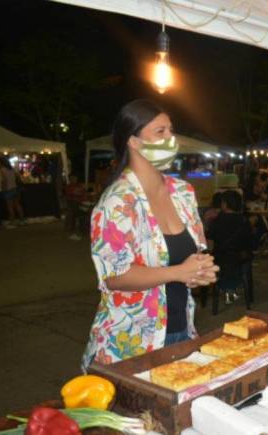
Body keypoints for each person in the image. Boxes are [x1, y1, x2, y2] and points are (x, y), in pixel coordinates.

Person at [81, 99, 219, 371]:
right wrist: (178, 272)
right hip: (131, 340)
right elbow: (114, 276)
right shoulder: (117, 203)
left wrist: (200, 272)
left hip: (182, 330)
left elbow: (193, 257)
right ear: (133, 141)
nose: (171, 138)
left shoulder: (183, 192)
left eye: (171, 130)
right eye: (160, 131)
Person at [208, 190, 253, 305]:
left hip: (221, 259)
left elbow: (210, 244)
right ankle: (233, 287)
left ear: (225, 204)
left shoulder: (216, 221)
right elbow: (249, 242)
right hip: (240, 258)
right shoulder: (244, 220)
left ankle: (226, 287)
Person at [0, 157, 26, 227]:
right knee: (18, 205)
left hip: (8, 189)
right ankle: (22, 220)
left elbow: (4, 180)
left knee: (10, 207)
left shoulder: (2, 170)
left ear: (0, 162)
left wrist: (3, 189)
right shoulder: (12, 169)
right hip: (15, 188)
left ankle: (12, 222)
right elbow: (18, 178)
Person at [64, 174, 87, 241]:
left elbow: (84, 194)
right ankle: (71, 229)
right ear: (70, 179)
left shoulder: (80, 186)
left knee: (83, 213)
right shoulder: (68, 187)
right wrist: (76, 196)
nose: (74, 180)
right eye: (72, 178)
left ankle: (83, 229)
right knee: (72, 212)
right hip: (73, 204)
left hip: (80, 204)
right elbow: (69, 196)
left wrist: (81, 197)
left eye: (75, 178)